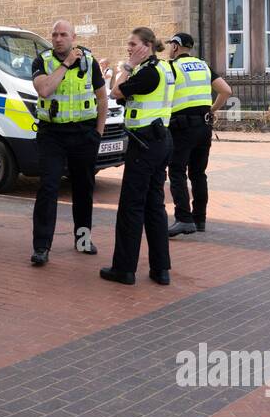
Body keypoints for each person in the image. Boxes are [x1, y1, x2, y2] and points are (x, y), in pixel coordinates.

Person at [29, 19, 107, 266]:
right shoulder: (42, 61)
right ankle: (41, 246)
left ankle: (83, 240)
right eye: (54, 35)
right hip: (52, 135)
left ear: (73, 38)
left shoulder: (89, 62)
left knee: (83, 190)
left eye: (63, 34)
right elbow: (45, 90)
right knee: (48, 188)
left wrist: (99, 132)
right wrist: (65, 64)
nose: (58, 38)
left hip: (84, 135)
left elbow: (102, 98)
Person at [101, 28, 175, 286]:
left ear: (147, 45)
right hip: (160, 141)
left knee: (131, 207)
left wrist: (128, 65)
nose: (129, 48)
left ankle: (124, 269)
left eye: (133, 44)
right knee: (155, 206)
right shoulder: (165, 68)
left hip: (143, 144)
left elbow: (116, 92)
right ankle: (161, 269)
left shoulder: (147, 72)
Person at [164, 32, 230, 236]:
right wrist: (211, 110)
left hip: (182, 128)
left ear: (176, 46)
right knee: (198, 174)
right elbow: (226, 91)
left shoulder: (172, 67)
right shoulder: (203, 65)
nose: (168, 49)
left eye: (170, 45)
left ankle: (184, 219)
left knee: (176, 171)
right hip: (204, 127)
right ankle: (199, 219)